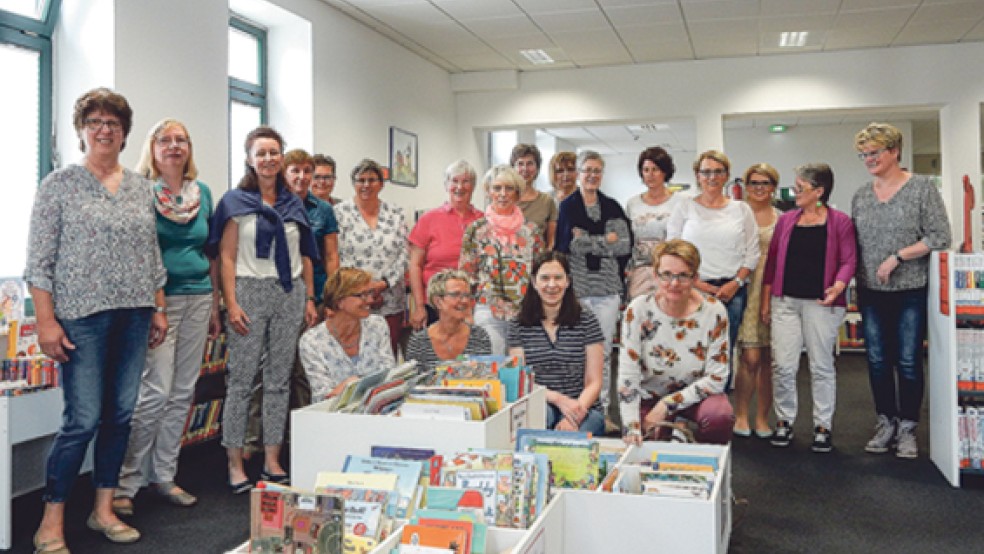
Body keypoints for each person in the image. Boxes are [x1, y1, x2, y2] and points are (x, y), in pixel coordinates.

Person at [26, 88, 167, 550]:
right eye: (95, 122)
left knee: (120, 416)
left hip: (135, 314)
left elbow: (151, 254)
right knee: (82, 420)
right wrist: (45, 322)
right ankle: (51, 520)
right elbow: (39, 262)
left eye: (113, 123)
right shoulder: (59, 185)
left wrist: (158, 306)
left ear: (125, 133)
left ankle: (103, 509)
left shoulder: (141, 187)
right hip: (81, 317)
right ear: (82, 130)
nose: (104, 130)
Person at [114, 119, 220, 516]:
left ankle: (164, 476)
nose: (174, 146)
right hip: (158, 304)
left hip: (199, 298)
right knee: (155, 391)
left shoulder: (201, 192)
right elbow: (138, 252)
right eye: (166, 140)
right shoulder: (140, 191)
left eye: (181, 140)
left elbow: (210, 252)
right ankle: (126, 483)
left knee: (183, 391)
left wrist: (215, 304)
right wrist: (156, 306)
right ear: (152, 147)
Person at [208, 126, 320, 493]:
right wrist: (230, 303)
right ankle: (234, 462)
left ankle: (272, 458)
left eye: (274, 152)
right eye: (261, 153)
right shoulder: (234, 202)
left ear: (282, 158)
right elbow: (225, 257)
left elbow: (305, 254)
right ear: (249, 159)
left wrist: (308, 298)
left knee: (279, 380)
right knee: (241, 380)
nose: (268, 159)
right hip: (248, 291)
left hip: (289, 292)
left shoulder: (294, 204)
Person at [851, 122, 951, 459]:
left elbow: (940, 236)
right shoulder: (862, 195)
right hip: (870, 291)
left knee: (908, 361)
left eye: (874, 152)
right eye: (864, 154)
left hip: (910, 289)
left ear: (894, 151)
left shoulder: (922, 188)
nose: (869, 159)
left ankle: (908, 428)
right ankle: (886, 423)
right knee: (878, 360)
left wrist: (898, 256)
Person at [761, 163, 857, 452]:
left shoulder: (840, 222)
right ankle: (784, 420)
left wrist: (838, 286)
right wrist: (766, 301)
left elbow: (849, 260)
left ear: (819, 191)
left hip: (821, 304)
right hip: (785, 302)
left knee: (821, 366)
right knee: (783, 365)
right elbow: (772, 262)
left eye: (800, 188)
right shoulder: (786, 220)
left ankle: (822, 426)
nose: (795, 192)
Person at [619, 239, 734, 445]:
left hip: (696, 397)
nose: (674, 283)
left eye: (683, 275)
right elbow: (628, 374)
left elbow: (717, 377)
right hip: (649, 395)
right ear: (655, 275)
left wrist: (667, 405)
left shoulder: (714, 311)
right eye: (666, 275)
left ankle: (707, 458)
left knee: (719, 415)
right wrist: (631, 426)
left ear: (695, 278)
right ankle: (673, 430)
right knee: (646, 441)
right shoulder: (638, 310)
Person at [555, 150, 631, 417]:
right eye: (587, 170)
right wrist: (605, 240)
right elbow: (568, 245)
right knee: (575, 351)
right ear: (578, 173)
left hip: (607, 290)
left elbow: (623, 246)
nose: (592, 175)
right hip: (578, 289)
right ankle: (575, 408)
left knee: (604, 352)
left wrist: (587, 239)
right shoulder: (568, 206)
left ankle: (603, 410)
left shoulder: (612, 206)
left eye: (597, 170)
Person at [667, 149, 759, 361]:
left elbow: (752, 252)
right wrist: (698, 284)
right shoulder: (685, 207)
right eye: (706, 172)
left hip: (732, 292)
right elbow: (672, 250)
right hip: (692, 290)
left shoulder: (741, 209)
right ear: (697, 175)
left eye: (718, 171)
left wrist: (736, 283)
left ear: (726, 176)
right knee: (690, 352)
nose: (712, 177)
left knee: (723, 354)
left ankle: (722, 386)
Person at [507, 252, 606, 435]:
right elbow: (522, 380)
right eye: (545, 278)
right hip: (542, 402)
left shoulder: (587, 320)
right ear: (534, 282)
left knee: (575, 437)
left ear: (567, 281)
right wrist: (558, 399)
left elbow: (594, 381)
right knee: (539, 423)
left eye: (558, 278)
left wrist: (574, 415)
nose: (552, 285)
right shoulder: (518, 324)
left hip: (583, 407)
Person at [459, 165, 546, 355]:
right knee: (492, 365)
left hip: (525, 312)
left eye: (509, 188)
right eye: (497, 188)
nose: (503, 194)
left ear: (518, 193)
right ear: (488, 192)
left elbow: (541, 273)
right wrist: (465, 311)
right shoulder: (476, 229)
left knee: (520, 366)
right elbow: (466, 275)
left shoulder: (531, 231)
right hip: (488, 309)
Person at [334, 159, 408, 355]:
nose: (366, 185)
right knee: (353, 353)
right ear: (354, 183)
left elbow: (404, 253)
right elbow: (336, 254)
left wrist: (383, 283)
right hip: (352, 298)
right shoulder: (340, 213)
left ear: (381, 184)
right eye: (361, 180)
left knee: (386, 354)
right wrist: (363, 287)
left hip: (389, 298)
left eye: (372, 180)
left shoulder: (396, 213)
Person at [731, 163, 781, 439]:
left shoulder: (782, 218)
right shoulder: (736, 213)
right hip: (745, 287)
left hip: (773, 289)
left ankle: (762, 417)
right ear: (746, 186)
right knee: (749, 357)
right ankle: (740, 415)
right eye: (754, 183)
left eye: (765, 183)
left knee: (768, 359)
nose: (759, 188)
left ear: (773, 187)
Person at [298, 268, 396, 400]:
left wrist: (349, 386)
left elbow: (389, 375)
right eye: (362, 295)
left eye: (370, 293)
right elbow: (323, 395)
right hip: (333, 412)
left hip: (379, 407)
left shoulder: (378, 325)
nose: (370, 300)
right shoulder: (311, 342)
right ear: (339, 301)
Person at [408, 160, 483, 330]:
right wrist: (419, 306)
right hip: (436, 305)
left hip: (473, 305)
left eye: (466, 181)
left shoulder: (483, 221)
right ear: (446, 185)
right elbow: (415, 265)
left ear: (473, 186)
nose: (459, 187)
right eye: (454, 181)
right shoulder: (429, 219)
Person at [625, 146, 683, 299]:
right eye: (646, 170)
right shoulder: (632, 204)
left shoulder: (681, 202)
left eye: (655, 169)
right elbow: (628, 240)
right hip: (640, 272)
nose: (650, 175)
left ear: (665, 172)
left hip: (670, 272)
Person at [405, 269, 492, 370]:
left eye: (467, 295)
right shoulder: (419, 342)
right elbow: (413, 378)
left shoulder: (479, 336)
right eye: (456, 295)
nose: (464, 301)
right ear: (438, 302)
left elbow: (484, 375)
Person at [285, 149, 339, 304]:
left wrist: (333, 295)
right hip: (284, 288)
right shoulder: (274, 205)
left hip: (317, 289)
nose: (302, 177)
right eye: (295, 171)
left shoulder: (324, 209)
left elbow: (331, 256)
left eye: (307, 171)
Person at [511, 144, 558, 248]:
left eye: (530, 164)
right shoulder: (505, 199)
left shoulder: (547, 201)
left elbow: (551, 242)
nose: (525, 169)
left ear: (537, 168)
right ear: (513, 168)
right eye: (520, 164)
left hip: (538, 257)